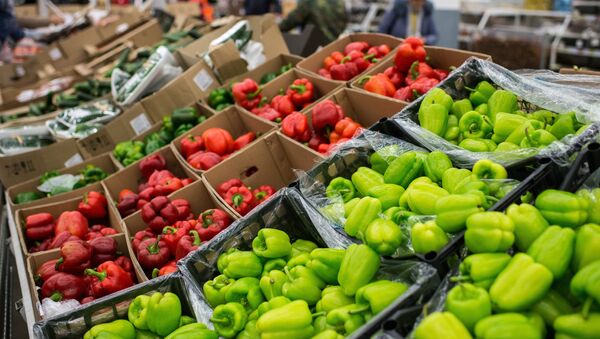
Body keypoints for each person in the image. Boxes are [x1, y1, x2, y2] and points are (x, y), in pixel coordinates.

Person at [279, 0, 347, 43]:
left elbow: (291, 21)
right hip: (333, 45)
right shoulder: (339, 2)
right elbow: (344, 21)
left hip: (313, 48)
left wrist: (276, 29)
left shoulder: (309, 2)